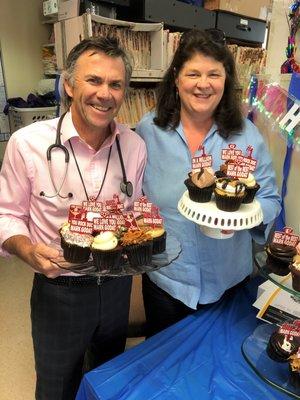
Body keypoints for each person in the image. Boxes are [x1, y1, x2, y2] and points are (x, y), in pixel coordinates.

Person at [0, 37, 146, 400]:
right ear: (69, 84)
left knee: (106, 379)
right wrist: (28, 250)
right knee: (56, 385)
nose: (105, 94)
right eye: (93, 80)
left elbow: (134, 210)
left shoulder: (134, 146)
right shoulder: (27, 144)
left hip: (116, 286)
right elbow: (6, 214)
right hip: (59, 291)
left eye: (115, 84)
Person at [136, 29, 281, 337]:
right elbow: (133, 196)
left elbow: (270, 199)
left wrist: (244, 220)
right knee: (166, 369)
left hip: (228, 284)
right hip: (167, 283)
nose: (203, 84)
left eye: (214, 74)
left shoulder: (247, 136)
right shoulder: (147, 132)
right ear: (176, 78)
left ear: (226, 79)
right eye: (194, 74)